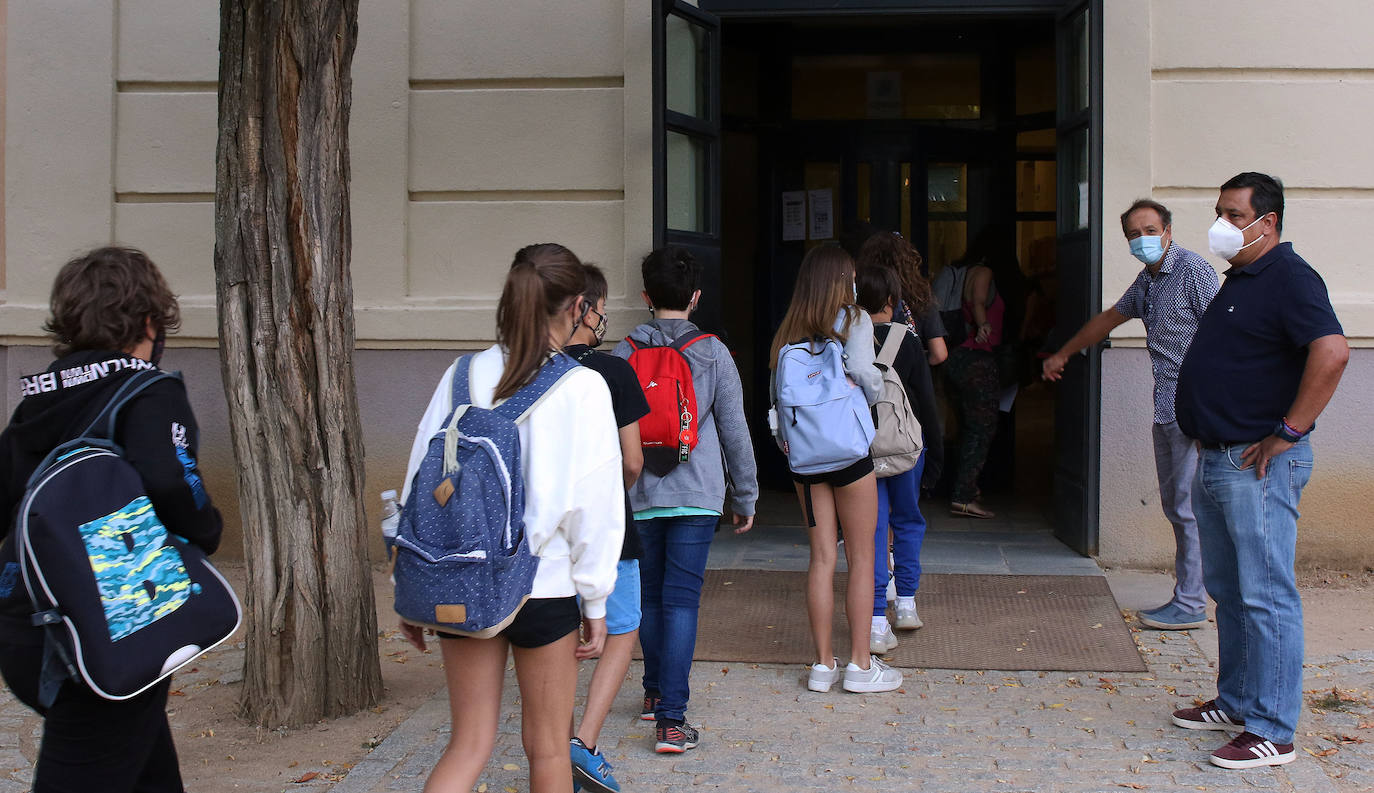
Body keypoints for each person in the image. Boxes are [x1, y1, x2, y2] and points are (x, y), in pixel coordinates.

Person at [399, 244, 624, 793]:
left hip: (465, 575)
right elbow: (596, 509)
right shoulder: (584, 387)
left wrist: (408, 579)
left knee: (467, 744)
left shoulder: (460, 375)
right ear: (576, 306)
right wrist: (595, 600)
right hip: (544, 584)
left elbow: (418, 487)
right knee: (547, 750)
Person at [0, 246, 223, 793]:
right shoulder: (148, 392)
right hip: (109, 627)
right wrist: (206, 530)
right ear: (150, 320)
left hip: (25, 623)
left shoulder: (40, 396)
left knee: (142, 763)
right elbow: (174, 483)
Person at [1171, 173, 1348, 770]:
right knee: (1229, 590)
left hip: (1258, 462)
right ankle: (1239, 700)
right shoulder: (1242, 278)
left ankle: (1273, 729)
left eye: (1231, 213)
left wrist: (1289, 432)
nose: (1219, 224)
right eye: (1218, 210)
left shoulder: (1291, 278)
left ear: (1265, 222)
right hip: (1218, 457)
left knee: (1267, 594)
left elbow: (1332, 351)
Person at [1043, 199, 1219, 631]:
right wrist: (1064, 352)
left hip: (1193, 405)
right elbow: (1110, 318)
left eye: (1150, 229)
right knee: (1177, 504)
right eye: (1133, 234)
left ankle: (1193, 600)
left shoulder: (1193, 270)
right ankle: (1191, 595)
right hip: (1166, 405)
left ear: (1168, 229)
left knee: (1189, 505)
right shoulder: (1148, 281)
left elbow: (1221, 335)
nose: (1143, 239)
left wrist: (1211, 410)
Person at [612, 246, 758, 754]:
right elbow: (736, 430)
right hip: (697, 496)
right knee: (681, 601)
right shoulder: (714, 352)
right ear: (696, 297)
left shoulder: (624, 354)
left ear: (646, 296)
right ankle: (672, 722)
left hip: (641, 494)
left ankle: (654, 695)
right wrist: (746, 492)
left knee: (650, 597)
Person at [769, 244, 902, 696]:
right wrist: (872, 391)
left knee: (822, 558)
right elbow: (865, 373)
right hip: (848, 453)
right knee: (862, 557)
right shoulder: (855, 320)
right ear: (841, 280)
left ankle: (823, 665)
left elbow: (777, 402)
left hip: (804, 458)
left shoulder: (788, 331)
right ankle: (861, 666)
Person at [563, 263, 649, 793]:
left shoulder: (527, 370)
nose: (603, 318)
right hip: (606, 527)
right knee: (620, 629)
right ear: (584, 307)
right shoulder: (611, 371)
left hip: (545, 532)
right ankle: (584, 741)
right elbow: (633, 460)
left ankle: (550, 739)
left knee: (556, 632)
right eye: (601, 307)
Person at [854, 263, 943, 651]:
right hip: (907, 448)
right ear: (893, 300)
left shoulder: (846, 340)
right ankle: (905, 604)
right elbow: (925, 400)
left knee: (872, 530)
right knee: (908, 522)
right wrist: (935, 453)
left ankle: (875, 620)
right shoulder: (907, 340)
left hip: (861, 451)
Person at [943, 248, 1005, 519]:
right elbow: (979, 299)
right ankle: (964, 495)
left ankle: (965, 488)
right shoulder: (984, 271)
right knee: (981, 429)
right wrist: (984, 325)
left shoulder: (960, 273)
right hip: (976, 357)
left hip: (957, 357)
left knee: (967, 427)